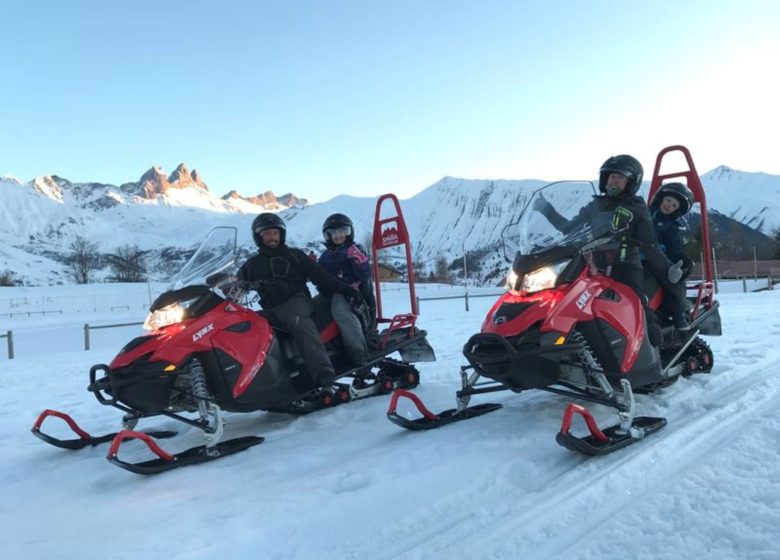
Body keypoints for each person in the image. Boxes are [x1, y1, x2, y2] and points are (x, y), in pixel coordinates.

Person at [533, 154, 684, 345]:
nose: (614, 180)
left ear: (632, 182)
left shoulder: (637, 207)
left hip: (625, 264)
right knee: (567, 297)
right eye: (611, 176)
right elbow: (569, 229)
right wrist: (546, 209)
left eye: (620, 177)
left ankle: (653, 345)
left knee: (637, 304)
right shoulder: (596, 204)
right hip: (594, 266)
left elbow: (649, 244)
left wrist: (668, 268)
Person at [238, 213, 363, 388]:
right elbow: (236, 283)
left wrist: (347, 290)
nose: (272, 238)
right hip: (270, 308)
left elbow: (321, 277)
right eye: (267, 234)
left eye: (275, 233)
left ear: (281, 234)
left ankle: (323, 371)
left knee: (297, 321)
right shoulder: (252, 264)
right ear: (259, 237)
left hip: (296, 301)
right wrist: (227, 284)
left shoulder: (294, 255)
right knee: (248, 327)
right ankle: (262, 381)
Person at [317, 213, 372, 370]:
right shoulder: (326, 256)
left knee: (341, 312)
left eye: (342, 231)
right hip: (332, 290)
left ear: (349, 232)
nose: (339, 235)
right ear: (328, 235)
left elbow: (365, 275)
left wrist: (359, 261)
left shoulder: (355, 249)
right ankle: (325, 347)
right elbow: (319, 272)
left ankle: (359, 354)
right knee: (311, 307)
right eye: (334, 233)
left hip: (352, 291)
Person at [648, 182, 695, 330]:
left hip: (657, 258)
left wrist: (681, 262)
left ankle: (678, 312)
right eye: (668, 200)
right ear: (661, 198)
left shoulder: (671, 227)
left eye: (674, 205)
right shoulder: (643, 212)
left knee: (671, 277)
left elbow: (675, 248)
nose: (669, 205)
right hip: (633, 252)